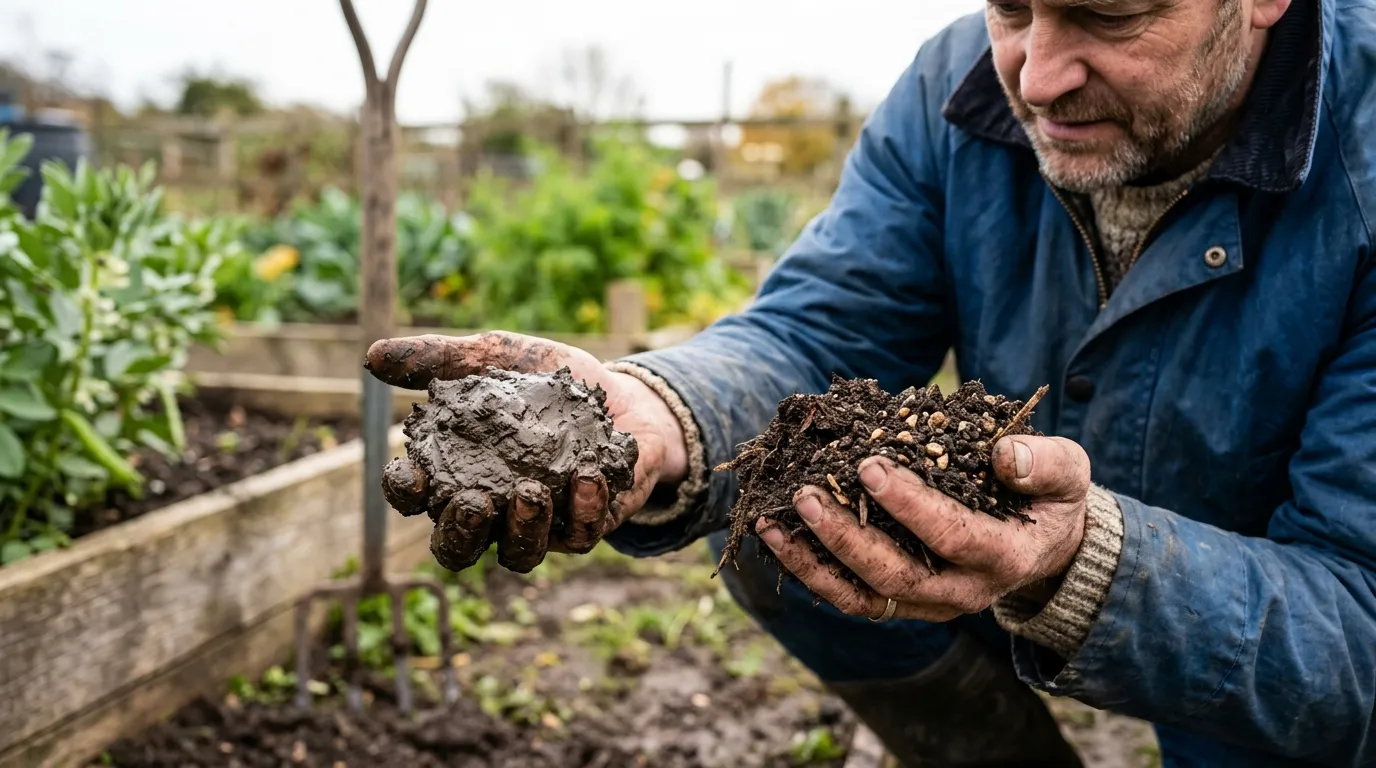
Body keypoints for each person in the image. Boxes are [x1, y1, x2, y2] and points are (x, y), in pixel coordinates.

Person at [366, 0, 1376, 764]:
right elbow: (819, 331)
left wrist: (1077, 561)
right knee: (774, 509)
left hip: (1299, 612)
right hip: (1040, 548)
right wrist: (659, 411)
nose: (1035, 76)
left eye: (1108, 13)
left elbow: (1358, 619)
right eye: (1011, 7)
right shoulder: (953, 87)